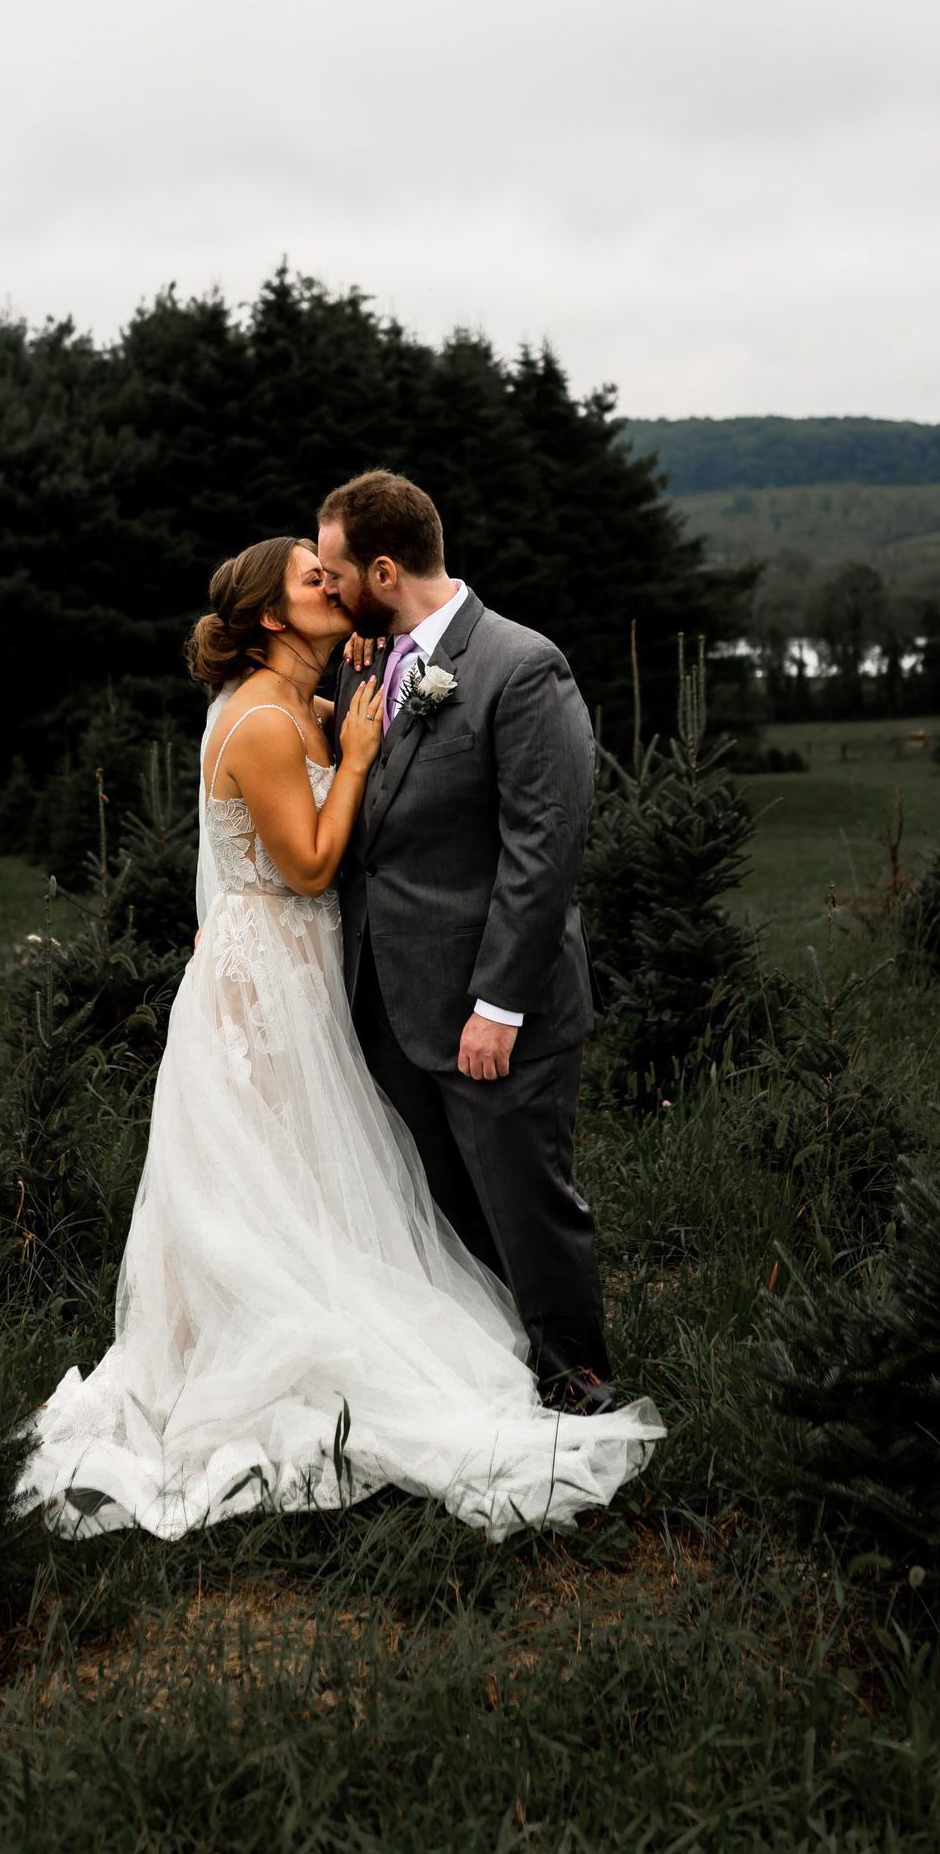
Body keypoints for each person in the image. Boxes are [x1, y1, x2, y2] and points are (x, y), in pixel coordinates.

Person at [13, 534, 663, 1542]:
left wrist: (352, 723)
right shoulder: (266, 721)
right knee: (272, 1185)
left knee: (319, 1179)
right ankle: (254, 1374)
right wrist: (356, 754)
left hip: (312, 974)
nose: (338, 587)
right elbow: (313, 867)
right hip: (263, 985)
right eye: (316, 581)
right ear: (273, 617)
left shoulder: (307, 705)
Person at [316, 471, 622, 1416]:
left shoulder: (521, 667)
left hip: (495, 1013)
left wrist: (498, 1007)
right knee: (437, 1221)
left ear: (382, 567)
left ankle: (580, 1387)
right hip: (388, 1003)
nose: (326, 591)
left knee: (525, 1212)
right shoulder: (369, 665)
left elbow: (544, 852)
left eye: (333, 573)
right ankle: (482, 1392)